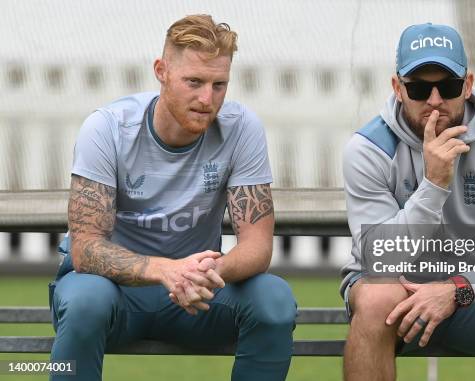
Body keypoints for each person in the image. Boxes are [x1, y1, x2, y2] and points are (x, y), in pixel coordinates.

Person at [48, 14, 296, 381]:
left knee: (274, 299)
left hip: (197, 294)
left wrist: (204, 274)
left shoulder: (242, 127)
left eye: (219, 84)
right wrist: (167, 271)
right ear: (161, 71)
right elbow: (85, 249)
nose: (207, 99)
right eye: (193, 82)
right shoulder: (107, 127)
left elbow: (257, 246)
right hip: (114, 293)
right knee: (86, 301)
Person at [341, 23, 475, 380]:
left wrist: (458, 289)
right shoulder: (367, 148)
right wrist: (433, 185)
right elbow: (380, 256)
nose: (435, 100)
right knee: (377, 298)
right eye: (420, 87)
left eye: (449, 86)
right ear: (398, 88)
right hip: (397, 294)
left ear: (468, 85)